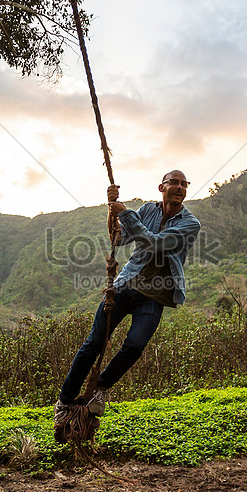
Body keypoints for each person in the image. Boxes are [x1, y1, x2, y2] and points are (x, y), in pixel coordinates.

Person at [54, 170, 201, 430]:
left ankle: (102, 387)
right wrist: (111, 210)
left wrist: (124, 212)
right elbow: (118, 238)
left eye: (183, 184)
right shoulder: (147, 210)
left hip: (155, 294)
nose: (179, 187)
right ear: (161, 187)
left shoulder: (190, 224)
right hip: (124, 286)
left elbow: (154, 243)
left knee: (134, 345)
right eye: (174, 182)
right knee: (93, 344)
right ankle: (64, 402)